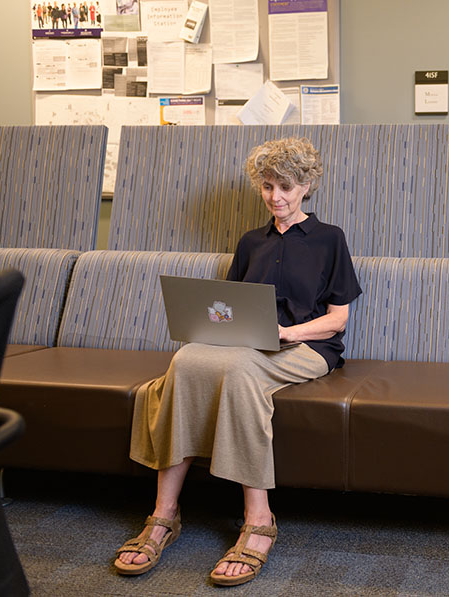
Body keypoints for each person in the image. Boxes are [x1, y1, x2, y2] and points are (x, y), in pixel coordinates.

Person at [112, 138, 361, 587]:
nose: (275, 197)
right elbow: (227, 307)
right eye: (267, 186)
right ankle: (163, 515)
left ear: (307, 185)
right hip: (246, 345)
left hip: (307, 348)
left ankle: (259, 520)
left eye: (285, 186)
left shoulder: (330, 239)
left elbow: (338, 320)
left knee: (241, 370)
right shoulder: (251, 242)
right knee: (186, 360)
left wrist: (287, 332)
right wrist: (217, 328)